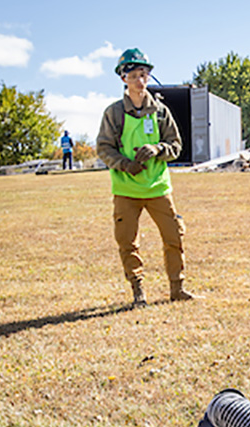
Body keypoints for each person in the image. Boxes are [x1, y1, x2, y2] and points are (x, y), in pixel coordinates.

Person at [96, 47, 196, 307]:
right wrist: (125, 164)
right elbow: (104, 148)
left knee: (174, 236)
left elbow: (176, 145)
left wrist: (158, 148)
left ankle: (177, 288)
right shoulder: (114, 113)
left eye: (144, 74)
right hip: (126, 189)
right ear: (123, 78)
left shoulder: (161, 111)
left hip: (158, 188)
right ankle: (138, 291)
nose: (140, 80)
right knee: (127, 242)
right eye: (134, 74)